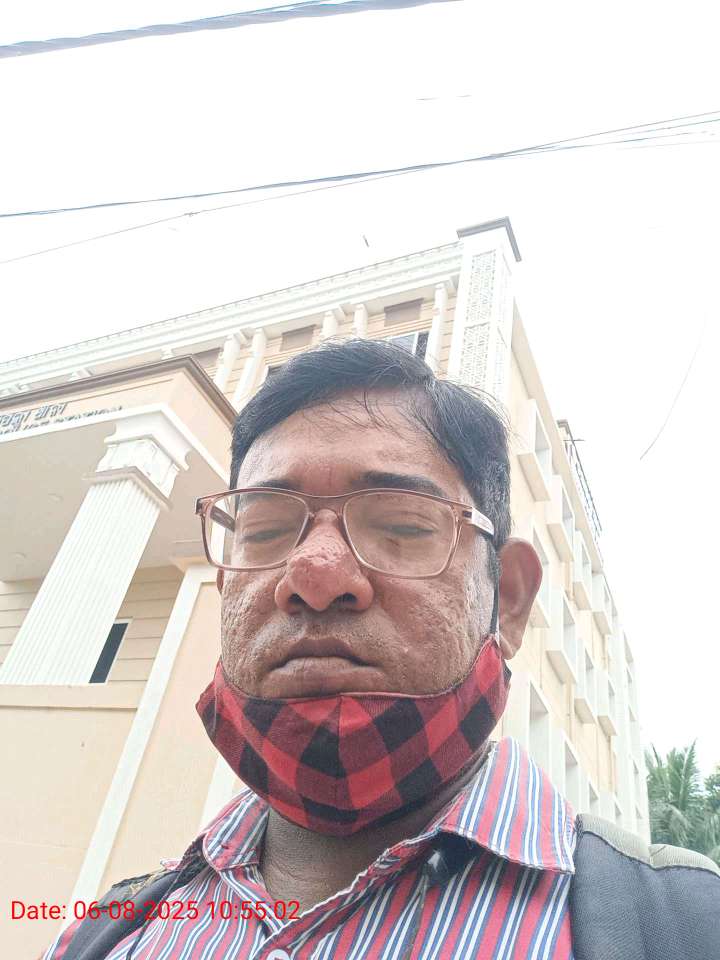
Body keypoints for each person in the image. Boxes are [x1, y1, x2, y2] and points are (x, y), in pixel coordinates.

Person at [43, 339, 719, 960]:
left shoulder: (686, 926)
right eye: (266, 530)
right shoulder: (106, 935)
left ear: (508, 599)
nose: (313, 576)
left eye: (400, 524)